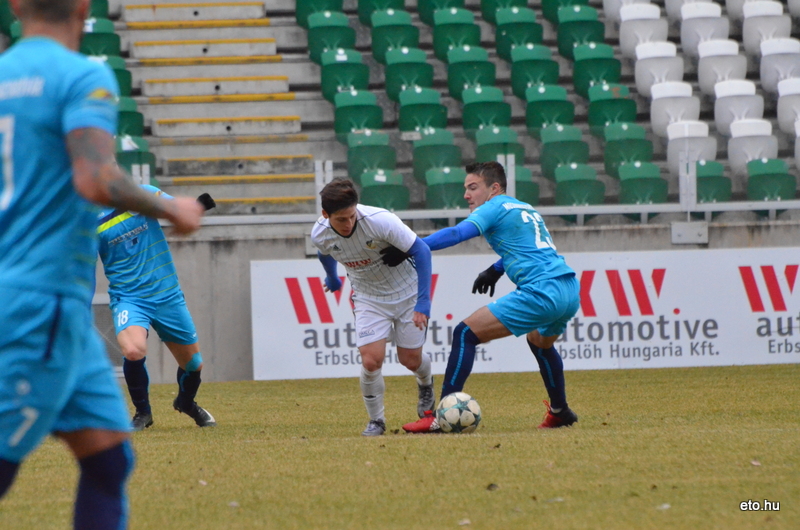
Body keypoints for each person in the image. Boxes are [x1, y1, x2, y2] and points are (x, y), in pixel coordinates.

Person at [0, 0, 204, 527]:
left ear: (17, 5)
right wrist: (168, 205)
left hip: (47, 306)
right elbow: (95, 178)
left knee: (109, 458)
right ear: (85, 6)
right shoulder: (83, 74)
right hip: (38, 300)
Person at [386, 162, 581, 432]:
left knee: (465, 333)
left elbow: (456, 233)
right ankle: (560, 412)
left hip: (542, 290)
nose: (467, 194)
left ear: (494, 188)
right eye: (465, 188)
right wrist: (496, 269)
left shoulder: (493, 206)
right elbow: (530, 248)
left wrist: (413, 247)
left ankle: (440, 417)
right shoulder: (524, 207)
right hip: (569, 288)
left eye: (473, 187)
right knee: (540, 343)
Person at [311, 178, 434, 436]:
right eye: (341, 219)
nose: (349, 224)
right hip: (368, 298)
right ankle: (376, 420)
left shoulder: (380, 221)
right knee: (371, 360)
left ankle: (425, 384)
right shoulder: (319, 233)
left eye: (352, 216)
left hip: (407, 294)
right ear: (325, 215)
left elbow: (422, 251)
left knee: (410, 360)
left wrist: (423, 301)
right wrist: (332, 278)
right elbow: (324, 251)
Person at [97, 188, 217, 431]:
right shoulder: (87, 217)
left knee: (194, 364)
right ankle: (143, 412)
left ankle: (186, 402)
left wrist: (195, 207)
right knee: (133, 350)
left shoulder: (143, 194)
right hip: (128, 297)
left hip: (167, 294)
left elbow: (175, 209)